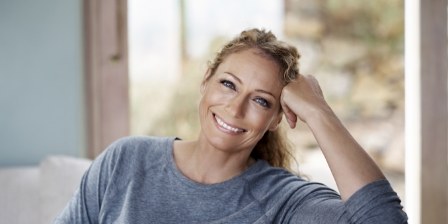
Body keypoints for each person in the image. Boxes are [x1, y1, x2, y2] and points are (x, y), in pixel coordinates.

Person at [55, 28, 408, 223]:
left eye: (261, 100)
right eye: (228, 84)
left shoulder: (283, 200)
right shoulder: (125, 162)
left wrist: (318, 112)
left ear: (275, 119)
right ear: (205, 81)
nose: (235, 108)